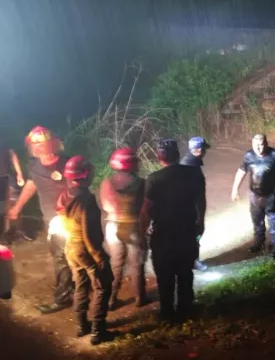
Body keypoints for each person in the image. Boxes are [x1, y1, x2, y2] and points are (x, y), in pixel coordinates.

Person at [8, 126, 74, 314]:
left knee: (63, 257)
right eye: (38, 147)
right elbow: (32, 184)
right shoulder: (34, 166)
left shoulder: (68, 164)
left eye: (44, 145)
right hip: (50, 219)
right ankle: (72, 286)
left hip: (68, 219)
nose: (41, 150)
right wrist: (17, 207)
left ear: (53, 144)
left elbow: (79, 188)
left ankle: (63, 298)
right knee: (61, 256)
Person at [139, 139, 206, 323]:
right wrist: (201, 221)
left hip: (163, 234)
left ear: (158, 157)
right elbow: (201, 200)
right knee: (185, 271)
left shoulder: (153, 179)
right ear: (177, 154)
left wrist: (142, 234)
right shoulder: (193, 173)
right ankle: (186, 308)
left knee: (165, 275)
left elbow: (146, 211)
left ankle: (167, 312)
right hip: (186, 230)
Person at [57, 155, 114, 345]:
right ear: (85, 175)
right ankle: (98, 331)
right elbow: (88, 233)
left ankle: (82, 326)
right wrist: (98, 257)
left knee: (80, 285)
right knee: (102, 285)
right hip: (85, 249)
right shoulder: (86, 199)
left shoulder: (65, 195)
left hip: (70, 248)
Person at [100, 148, 148, 311]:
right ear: (131, 164)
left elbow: (104, 205)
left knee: (115, 264)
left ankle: (111, 299)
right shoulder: (141, 183)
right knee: (137, 264)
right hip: (133, 226)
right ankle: (140, 298)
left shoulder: (106, 183)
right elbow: (146, 206)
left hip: (112, 226)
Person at [230, 133, 275, 258]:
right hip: (254, 195)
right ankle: (259, 243)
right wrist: (234, 189)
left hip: (272, 195)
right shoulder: (248, 155)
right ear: (252, 144)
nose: (258, 148)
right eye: (255, 145)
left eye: (261, 145)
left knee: (274, 221)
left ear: (266, 144)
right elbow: (242, 171)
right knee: (257, 220)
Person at [180, 136, 209, 271]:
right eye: (204, 149)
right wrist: (199, 215)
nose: (205, 152)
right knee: (194, 235)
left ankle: (190, 260)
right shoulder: (190, 167)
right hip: (191, 210)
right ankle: (192, 261)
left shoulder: (191, 163)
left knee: (193, 235)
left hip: (190, 209)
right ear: (198, 150)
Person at [0, 140, 25, 244]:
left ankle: (15, 231)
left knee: (13, 204)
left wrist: (19, 173)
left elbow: (12, 156)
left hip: (7, 177)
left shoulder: (3, 142)